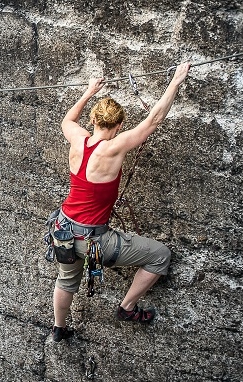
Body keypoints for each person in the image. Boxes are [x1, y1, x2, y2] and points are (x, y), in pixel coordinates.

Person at [52, 62, 191, 342]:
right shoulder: (115, 147)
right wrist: (176, 81)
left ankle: (58, 328)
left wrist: (88, 91)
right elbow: (153, 121)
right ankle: (127, 308)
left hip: (63, 229)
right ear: (119, 125)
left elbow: (67, 120)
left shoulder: (77, 138)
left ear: (92, 120)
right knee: (160, 255)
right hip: (95, 240)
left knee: (66, 280)